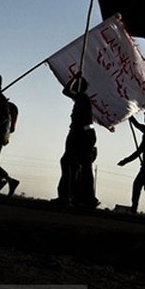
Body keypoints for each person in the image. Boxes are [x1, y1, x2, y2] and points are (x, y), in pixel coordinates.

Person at [52, 74, 98, 207]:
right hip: (82, 134)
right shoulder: (82, 99)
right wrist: (75, 79)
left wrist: (75, 79)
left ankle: (71, 197)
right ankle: (79, 197)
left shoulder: (82, 98)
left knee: (74, 164)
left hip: (82, 135)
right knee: (77, 166)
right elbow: (66, 91)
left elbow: (66, 91)